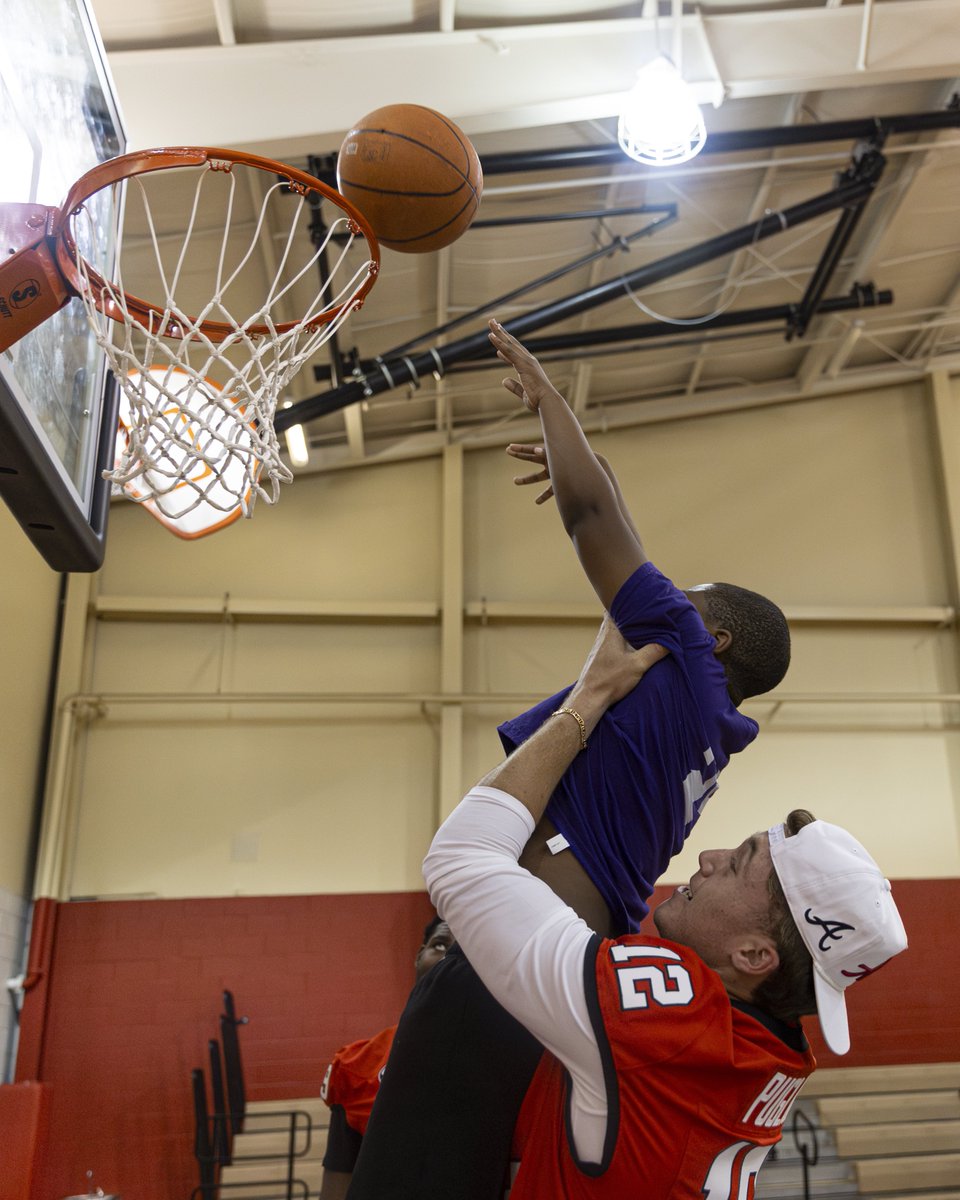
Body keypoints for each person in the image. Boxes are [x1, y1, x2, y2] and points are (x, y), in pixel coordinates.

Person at [345, 323, 791, 1200]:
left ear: (715, 634)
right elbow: (614, 515)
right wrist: (569, 447)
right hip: (556, 976)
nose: (662, 591)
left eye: (685, 597)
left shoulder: (684, 659)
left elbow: (598, 520)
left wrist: (552, 402)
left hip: (509, 969)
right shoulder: (707, 727)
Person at [424, 616, 908, 1198]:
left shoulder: (664, 1022)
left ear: (755, 954)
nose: (708, 856)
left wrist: (591, 694)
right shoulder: (775, 1053)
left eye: (736, 864)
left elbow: (462, 857)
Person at [318, 917, 454, 1200]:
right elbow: (337, 1184)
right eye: (439, 945)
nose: (447, 959)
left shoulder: (520, 1064)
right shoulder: (360, 1064)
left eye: (467, 951)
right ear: (419, 956)